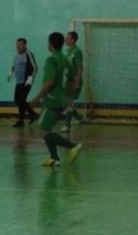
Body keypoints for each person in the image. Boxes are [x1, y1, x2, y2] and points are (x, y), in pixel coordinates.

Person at [31, 32, 83, 167]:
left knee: (43, 130)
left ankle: (73, 146)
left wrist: (37, 98)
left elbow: (49, 82)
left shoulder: (51, 60)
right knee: (48, 129)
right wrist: (68, 96)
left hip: (51, 100)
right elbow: (73, 82)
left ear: (51, 44)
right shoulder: (66, 60)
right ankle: (54, 158)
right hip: (62, 101)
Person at [8, 37, 39, 127]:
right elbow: (15, 65)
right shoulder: (17, 55)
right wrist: (11, 73)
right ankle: (32, 114)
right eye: (17, 45)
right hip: (19, 81)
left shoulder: (28, 54)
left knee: (21, 100)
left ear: (25, 45)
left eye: (20, 45)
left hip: (26, 82)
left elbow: (35, 67)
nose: (18, 47)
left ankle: (22, 120)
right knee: (18, 100)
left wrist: (30, 79)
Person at [61, 31, 84, 132]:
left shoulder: (77, 51)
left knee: (69, 102)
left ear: (73, 40)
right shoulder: (67, 51)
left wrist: (77, 81)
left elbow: (80, 67)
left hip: (74, 81)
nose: (65, 40)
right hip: (67, 81)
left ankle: (67, 126)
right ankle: (80, 118)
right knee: (67, 103)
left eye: (67, 38)